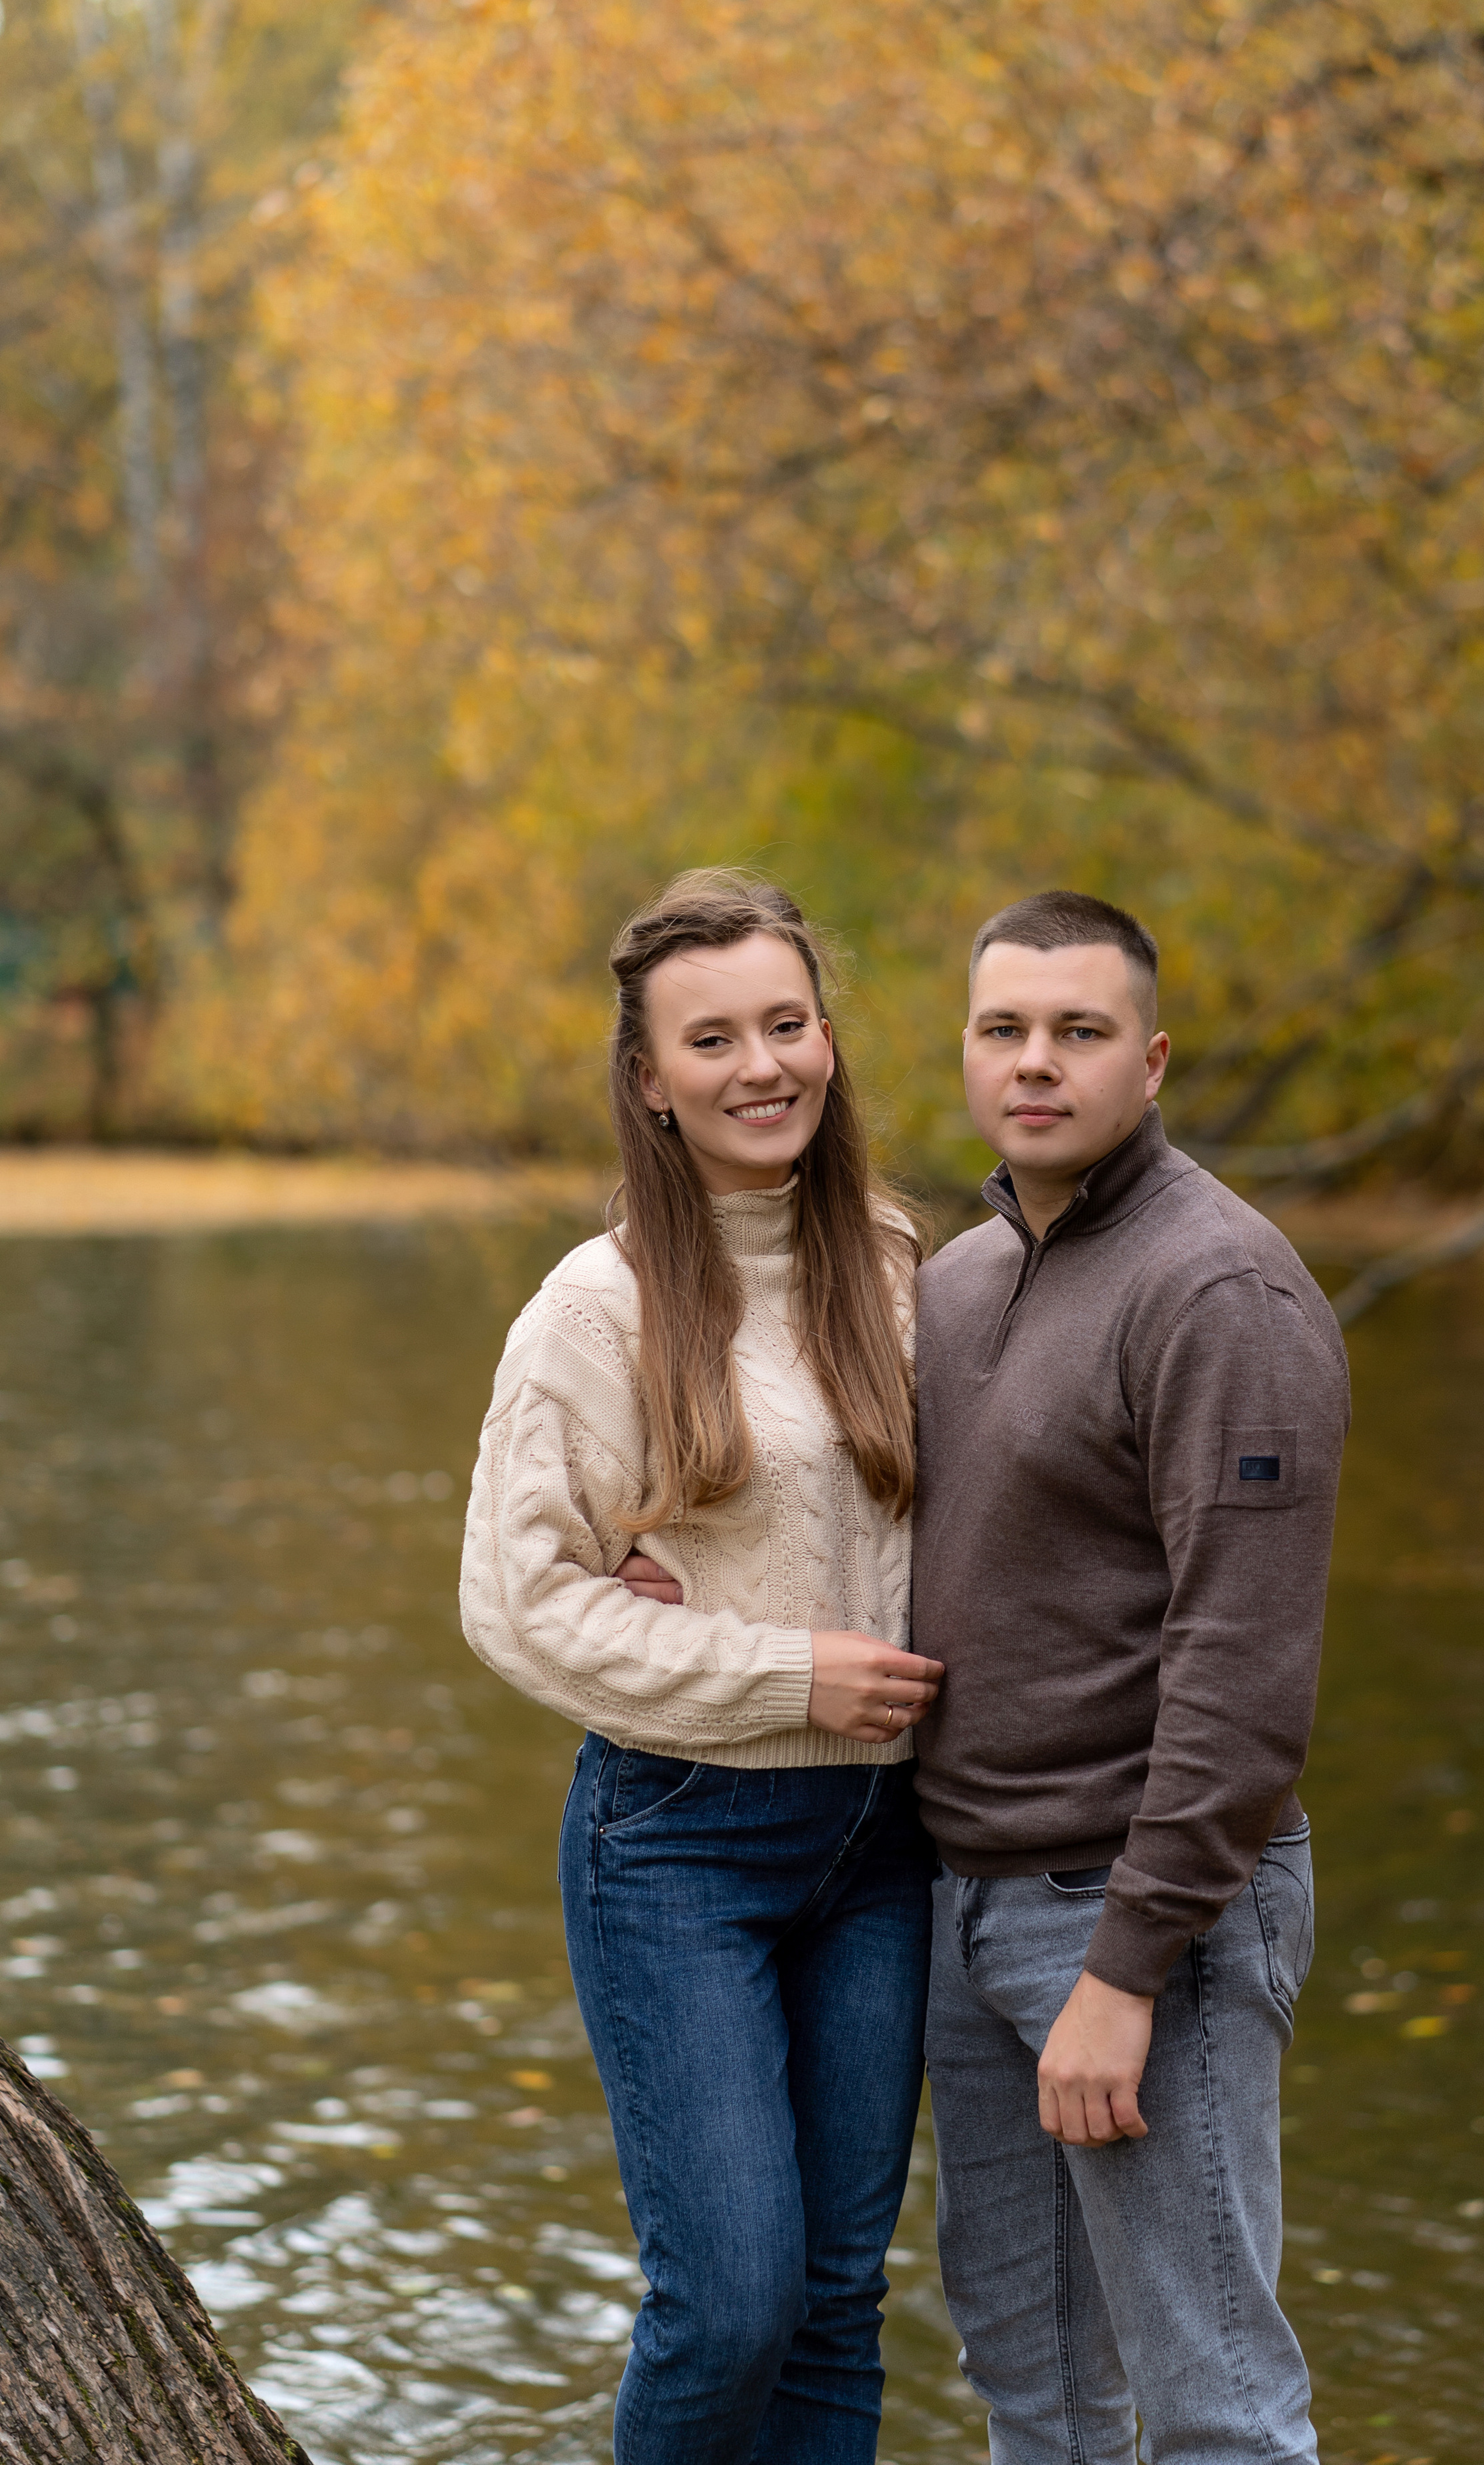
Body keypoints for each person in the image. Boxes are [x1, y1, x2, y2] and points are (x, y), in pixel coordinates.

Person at [459, 869, 943, 2465]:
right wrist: (770, 1668)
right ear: (649, 1082)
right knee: (726, 2301)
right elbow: (516, 1603)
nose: (760, 1067)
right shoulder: (593, 1315)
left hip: (883, 1848)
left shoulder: (894, 1266)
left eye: (785, 1025)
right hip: (679, 1845)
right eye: (712, 1039)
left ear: (827, 1040)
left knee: (830, 2299)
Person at [911, 888, 1350, 2464]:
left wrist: (1124, 1969)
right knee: (1034, 2398)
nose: (1036, 1062)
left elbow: (1241, 1672)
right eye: (1004, 1029)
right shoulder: (955, 1281)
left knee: (1216, 2409)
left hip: (1140, 1916)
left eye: (1077, 1032)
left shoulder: (1217, 1292)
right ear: (965, 1051)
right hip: (962, 1907)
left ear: (1148, 1060)